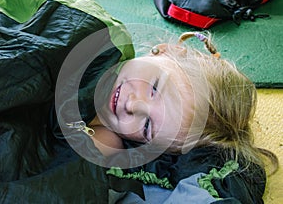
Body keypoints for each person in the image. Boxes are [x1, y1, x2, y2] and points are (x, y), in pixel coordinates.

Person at [76, 31, 279, 203]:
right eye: (154, 89)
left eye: (147, 126)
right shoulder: (97, 42)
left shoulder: (105, 142)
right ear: (166, 50)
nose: (132, 105)